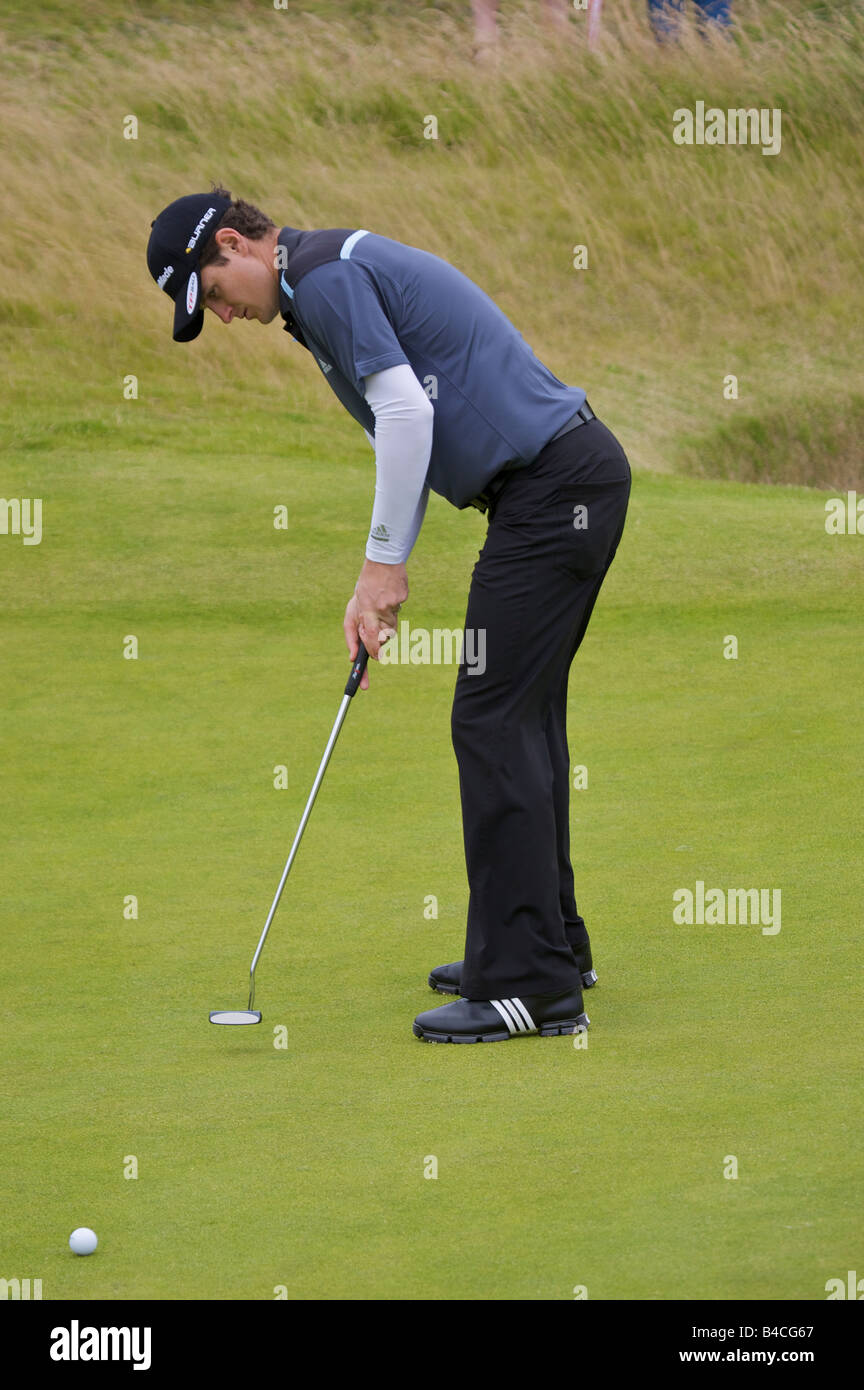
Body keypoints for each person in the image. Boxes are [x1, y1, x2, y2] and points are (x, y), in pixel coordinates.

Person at [146, 189, 631, 1044]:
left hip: (554, 492)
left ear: (236, 243)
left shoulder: (325, 278)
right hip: (565, 486)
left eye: (214, 292)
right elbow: (401, 428)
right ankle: (549, 948)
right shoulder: (317, 280)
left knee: (490, 721)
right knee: (522, 717)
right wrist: (375, 575)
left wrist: (383, 566)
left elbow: (408, 412)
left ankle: (531, 984)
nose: (220, 316)